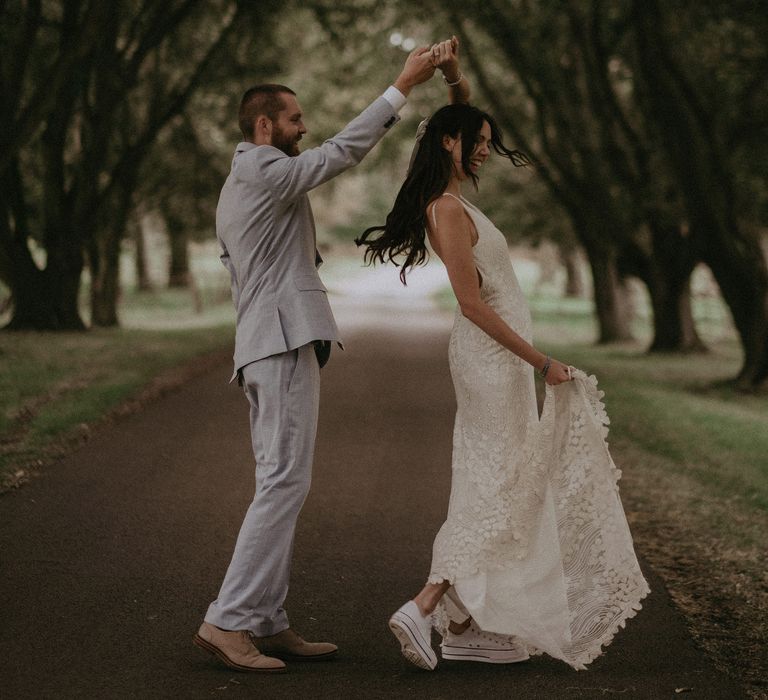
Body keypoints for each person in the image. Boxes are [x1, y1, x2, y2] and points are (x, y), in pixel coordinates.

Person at [356, 38, 649, 671]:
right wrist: (542, 360)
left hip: (502, 363)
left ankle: (464, 627)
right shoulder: (447, 210)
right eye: (476, 138)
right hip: (491, 362)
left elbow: (457, 116)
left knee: (498, 480)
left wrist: (456, 79)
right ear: (448, 145)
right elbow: (470, 303)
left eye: (488, 137)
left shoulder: (457, 196)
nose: (486, 146)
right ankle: (426, 604)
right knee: (502, 483)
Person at [194, 47, 436, 673]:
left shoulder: (246, 177)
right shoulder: (264, 170)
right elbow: (342, 153)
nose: (306, 128)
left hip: (267, 343)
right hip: (278, 342)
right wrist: (401, 88)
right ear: (265, 126)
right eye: (296, 119)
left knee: (281, 480)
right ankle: (228, 621)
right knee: (283, 483)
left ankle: (266, 620)